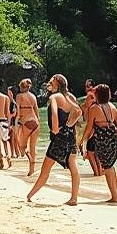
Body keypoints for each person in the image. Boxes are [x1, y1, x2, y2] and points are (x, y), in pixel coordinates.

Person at [26, 74, 81, 205]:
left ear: (57, 84)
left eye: (51, 82)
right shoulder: (71, 97)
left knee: (45, 169)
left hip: (59, 137)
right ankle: (74, 198)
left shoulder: (54, 97)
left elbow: (55, 113)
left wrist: (55, 128)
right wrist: (70, 124)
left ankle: (29, 196)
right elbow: (79, 111)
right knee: (73, 167)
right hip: (71, 135)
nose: (48, 84)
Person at [86, 84, 117, 203]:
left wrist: (82, 140)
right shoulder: (113, 107)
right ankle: (114, 194)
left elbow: (89, 127)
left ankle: (114, 197)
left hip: (103, 140)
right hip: (113, 140)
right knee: (111, 167)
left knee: (107, 168)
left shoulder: (94, 108)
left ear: (98, 95)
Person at [15, 79, 40, 176]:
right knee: (32, 146)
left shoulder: (19, 96)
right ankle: (32, 169)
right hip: (35, 122)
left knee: (21, 146)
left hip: (26, 122)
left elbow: (18, 112)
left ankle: (30, 159)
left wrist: (16, 124)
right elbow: (37, 112)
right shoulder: (33, 96)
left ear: (22, 87)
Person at [81, 80, 101, 176]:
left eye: (89, 86)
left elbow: (88, 109)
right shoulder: (97, 97)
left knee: (90, 153)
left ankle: (97, 173)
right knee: (95, 153)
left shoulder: (90, 96)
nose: (87, 88)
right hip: (97, 127)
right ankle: (99, 173)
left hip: (93, 127)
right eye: (86, 86)